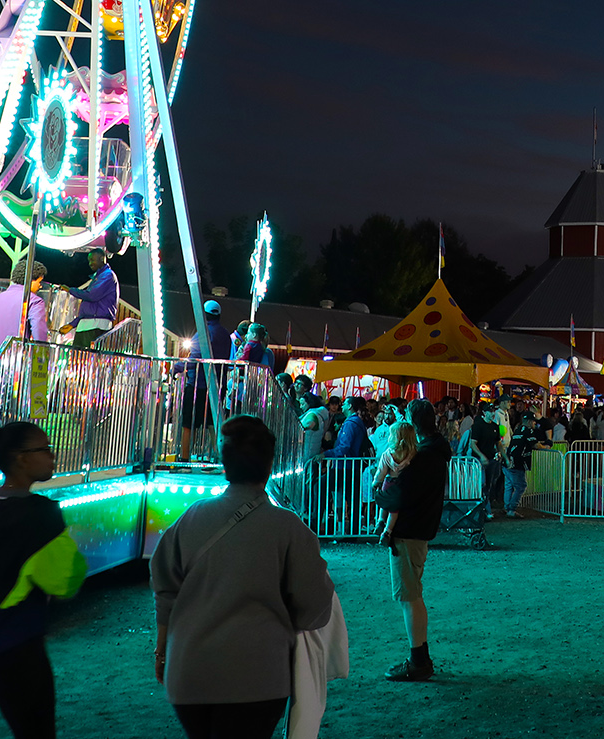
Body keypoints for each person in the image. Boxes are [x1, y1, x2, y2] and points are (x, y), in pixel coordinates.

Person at [152, 416, 334, 739]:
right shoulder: (289, 529)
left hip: (189, 674)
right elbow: (315, 609)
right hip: (257, 678)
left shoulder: (191, 517)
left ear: (225, 465)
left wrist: (163, 648)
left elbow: (164, 584)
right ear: (270, 465)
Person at [0, 418, 86, 739]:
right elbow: (65, 582)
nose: (52, 456)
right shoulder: (41, 515)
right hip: (13, 650)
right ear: (21, 458)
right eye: (44, 450)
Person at [386, 399, 449, 681]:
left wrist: (379, 494)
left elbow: (398, 495)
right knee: (413, 595)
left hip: (409, 531)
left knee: (409, 597)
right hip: (421, 529)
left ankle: (418, 660)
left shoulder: (420, 458)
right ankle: (419, 656)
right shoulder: (435, 453)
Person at [0, 267, 49, 366]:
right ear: (30, 280)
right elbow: (38, 331)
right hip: (12, 363)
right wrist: (42, 356)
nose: (40, 286)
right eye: (39, 282)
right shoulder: (34, 300)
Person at [370, 421, 418, 543]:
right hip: (402, 485)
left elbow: (381, 471)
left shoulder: (388, 454)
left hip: (388, 483)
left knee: (385, 504)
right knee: (394, 510)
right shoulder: (413, 453)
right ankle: (387, 531)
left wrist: (376, 482)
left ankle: (380, 521)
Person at [65, 250, 119, 349]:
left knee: (86, 359)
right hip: (88, 325)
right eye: (89, 261)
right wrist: (73, 324)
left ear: (101, 258)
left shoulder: (107, 275)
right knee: (78, 360)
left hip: (96, 325)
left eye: (92, 260)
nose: (90, 263)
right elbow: (89, 306)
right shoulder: (98, 277)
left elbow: (92, 296)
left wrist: (71, 290)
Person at [502, 411, 537, 518]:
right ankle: (512, 509)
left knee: (509, 485)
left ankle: (507, 507)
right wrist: (547, 445)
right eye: (534, 422)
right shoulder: (528, 431)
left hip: (507, 460)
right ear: (530, 422)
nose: (534, 424)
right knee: (521, 486)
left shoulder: (517, 429)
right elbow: (535, 444)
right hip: (517, 463)